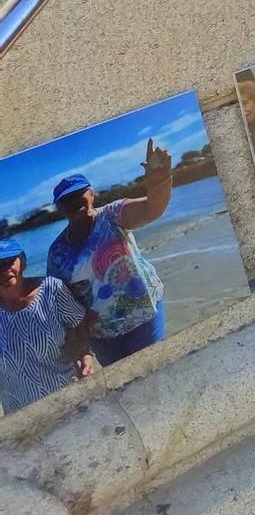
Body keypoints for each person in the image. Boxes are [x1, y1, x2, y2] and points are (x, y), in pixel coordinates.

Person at [44, 149, 173, 365]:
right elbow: (59, 300)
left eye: (78, 194)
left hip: (143, 314)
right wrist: (78, 345)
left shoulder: (112, 215)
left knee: (156, 372)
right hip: (101, 334)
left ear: (92, 194)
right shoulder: (57, 251)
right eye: (66, 200)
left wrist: (159, 182)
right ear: (59, 208)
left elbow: (151, 209)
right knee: (124, 387)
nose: (74, 202)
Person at [0, 238, 95, 413]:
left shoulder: (51, 289)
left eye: (9, 262)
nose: (5, 271)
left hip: (68, 400)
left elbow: (81, 325)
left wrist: (84, 354)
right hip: (20, 418)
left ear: (23, 262)